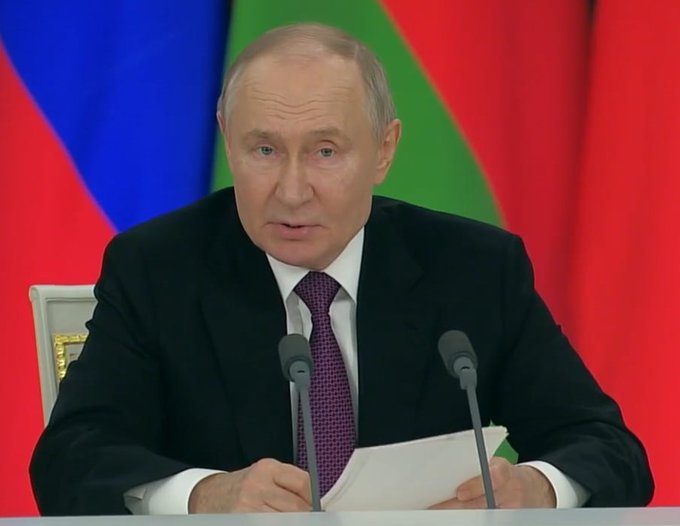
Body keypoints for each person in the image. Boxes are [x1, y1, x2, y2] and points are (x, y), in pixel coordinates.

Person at [30, 23, 653, 515]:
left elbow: (608, 449)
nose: (291, 190)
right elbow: (70, 459)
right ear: (226, 136)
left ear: (384, 149)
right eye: (264, 149)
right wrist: (206, 496)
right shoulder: (157, 269)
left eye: (325, 151)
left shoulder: (473, 268)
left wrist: (535, 488)